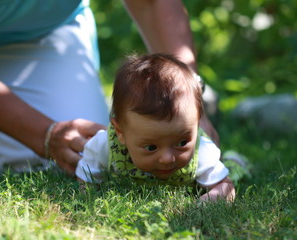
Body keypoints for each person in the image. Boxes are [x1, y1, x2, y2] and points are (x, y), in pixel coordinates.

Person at [0, 0, 219, 175]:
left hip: (43, 31)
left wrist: (188, 98)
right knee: (28, 155)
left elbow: (152, 3)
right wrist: (43, 134)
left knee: (79, 153)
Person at [76, 54, 235, 202]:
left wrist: (205, 203)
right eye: (151, 147)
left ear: (197, 123)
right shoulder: (105, 146)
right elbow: (88, 174)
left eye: (181, 143)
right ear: (120, 133)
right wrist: (88, 195)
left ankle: (235, 160)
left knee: (233, 167)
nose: (167, 159)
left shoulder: (202, 152)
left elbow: (225, 187)